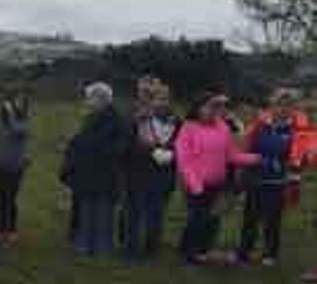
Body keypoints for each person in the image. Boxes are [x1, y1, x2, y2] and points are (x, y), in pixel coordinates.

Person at [175, 92, 261, 265]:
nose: (212, 111)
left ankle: (203, 250)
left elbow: (230, 155)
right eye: (209, 107)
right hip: (196, 184)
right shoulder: (188, 128)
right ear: (198, 109)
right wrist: (195, 185)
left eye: (215, 108)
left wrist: (255, 158)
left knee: (213, 219)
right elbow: (184, 161)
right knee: (197, 219)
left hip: (217, 183)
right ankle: (191, 253)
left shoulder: (222, 127)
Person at [236, 88, 310, 267]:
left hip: (278, 181)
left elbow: (302, 158)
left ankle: (270, 253)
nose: (283, 109)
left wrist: (291, 170)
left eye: (288, 105)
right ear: (272, 105)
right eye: (280, 104)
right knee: (250, 217)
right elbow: (246, 147)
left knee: (273, 219)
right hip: (255, 176)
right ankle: (244, 251)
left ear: (293, 108)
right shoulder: (259, 125)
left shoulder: (298, 129)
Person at [63, 82, 128, 257]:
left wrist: (100, 151)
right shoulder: (90, 117)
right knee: (87, 209)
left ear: (102, 99)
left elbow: (121, 146)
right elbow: (80, 142)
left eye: (90, 98)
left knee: (104, 212)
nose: (87, 102)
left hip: (106, 173)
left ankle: (102, 247)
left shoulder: (117, 119)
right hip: (88, 172)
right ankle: (84, 244)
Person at [122, 83, 181, 260]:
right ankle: (131, 249)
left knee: (157, 211)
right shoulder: (138, 121)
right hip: (139, 172)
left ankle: (152, 247)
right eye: (158, 98)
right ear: (150, 100)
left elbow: (183, 143)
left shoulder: (177, 122)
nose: (162, 102)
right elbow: (128, 145)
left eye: (166, 98)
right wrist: (149, 151)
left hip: (163, 174)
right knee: (134, 211)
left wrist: (172, 153)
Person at [0, 98, 30, 245]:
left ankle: (11, 230)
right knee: (1, 199)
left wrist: (10, 114)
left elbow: (18, 131)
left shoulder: (21, 123)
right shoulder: (2, 124)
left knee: (10, 198)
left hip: (15, 166)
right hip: (1, 165)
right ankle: (3, 230)